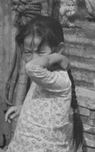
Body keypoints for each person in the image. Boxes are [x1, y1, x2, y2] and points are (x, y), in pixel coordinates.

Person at [5, 15, 83, 152]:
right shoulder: (43, 74)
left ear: (59, 49)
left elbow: (31, 67)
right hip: (25, 144)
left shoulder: (59, 79)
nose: (33, 59)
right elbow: (45, 101)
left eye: (41, 53)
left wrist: (57, 57)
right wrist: (23, 108)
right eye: (28, 52)